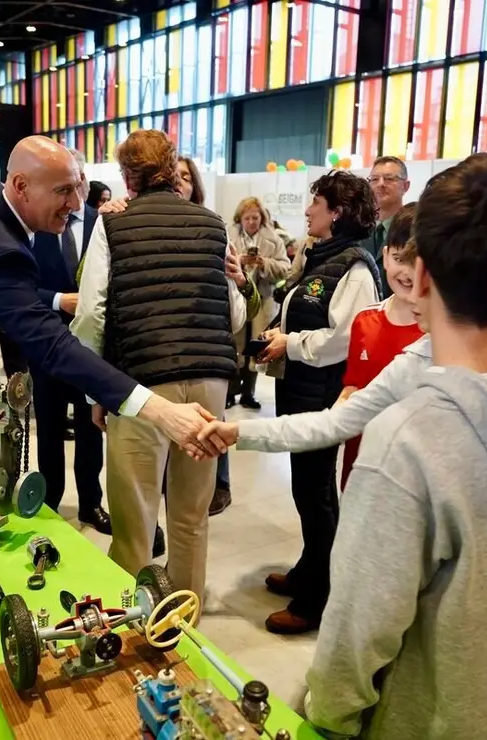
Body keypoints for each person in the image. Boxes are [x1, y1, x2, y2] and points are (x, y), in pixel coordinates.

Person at [304, 152, 487, 740]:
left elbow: (358, 631)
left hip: (421, 719)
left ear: (421, 274)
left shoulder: (407, 441)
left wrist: (328, 715)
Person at [0, 135, 227, 478]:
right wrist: (161, 411)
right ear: (21, 186)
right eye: (63, 191)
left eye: (76, 187)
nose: (74, 205)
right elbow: (54, 345)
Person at [72, 129, 248, 601]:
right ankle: (184, 622)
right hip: (210, 383)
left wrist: (95, 392)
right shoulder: (213, 224)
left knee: (135, 521)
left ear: (126, 176)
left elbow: (91, 313)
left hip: (141, 388)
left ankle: (131, 624)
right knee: (191, 516)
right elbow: (234, 315)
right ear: (173, 169)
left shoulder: (111, 226)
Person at [253, 170, 382, 634]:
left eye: (317, 204)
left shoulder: (356, 268)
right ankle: (310, 570)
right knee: (307, 490)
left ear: (338, 211)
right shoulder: (318, 256)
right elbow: (304, 312)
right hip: (299, 388)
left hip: (323, 393)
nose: (307, 211)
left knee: (318, 494)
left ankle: (318, 600)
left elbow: (346, 339)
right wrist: (280, 335)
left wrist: (291, 343)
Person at [29, 148, 111, 535]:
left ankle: (91, 503)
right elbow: (21, 287)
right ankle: (49, 500)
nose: (73, 187)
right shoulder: (36, 226)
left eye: (78, 178)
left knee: (91, 429)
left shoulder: (103, 224)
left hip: (91, 348)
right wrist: (60, 300)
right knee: (47, 427)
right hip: (46, 343)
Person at [336, 203, 423, 491]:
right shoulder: (365, 320)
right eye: (399, 258)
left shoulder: (441, 331)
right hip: (361, 462)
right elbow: (352, 388)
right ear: (385, 256)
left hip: (412, 472)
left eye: (417, 261)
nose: (407, 272)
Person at [227, 197, 291, 411]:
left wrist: (265, 263)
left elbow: (285, 268)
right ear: (240, 218)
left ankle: (248, 393)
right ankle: (231, 391)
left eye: (256, 217)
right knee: (234, 345)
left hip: (263, 299)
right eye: (247, 218)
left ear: (262, 218)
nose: (252, 222)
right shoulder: (229, 236)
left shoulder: (275, 239)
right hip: (236, 297)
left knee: (256, 346)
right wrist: (240, 263)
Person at [362, 156, 411, 299]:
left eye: (389, 179)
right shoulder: (361, 228)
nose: (381, 184)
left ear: (406, 186)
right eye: (375, 179)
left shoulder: (415, 228)